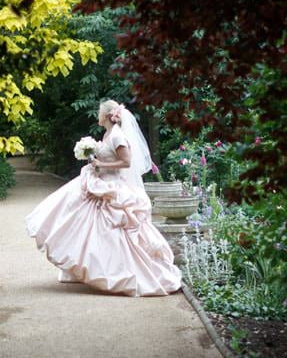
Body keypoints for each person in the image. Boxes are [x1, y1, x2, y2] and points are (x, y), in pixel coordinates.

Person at [25, 100, 182, 297]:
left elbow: (126, 162)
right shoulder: (108, 134)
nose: (97, 116)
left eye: (99, 113)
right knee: (81, 222)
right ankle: (91, 268)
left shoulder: (117, 136)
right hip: (99, 182)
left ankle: (117, 272)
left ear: (108, 116)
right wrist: (93, 159)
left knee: (112, 232)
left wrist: (101, 164)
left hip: (112, 187)